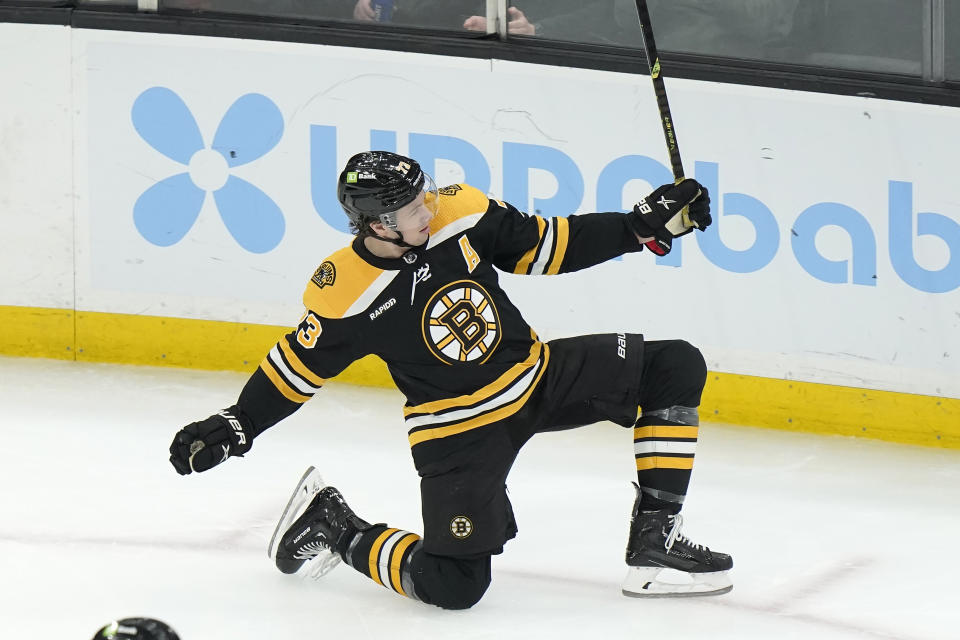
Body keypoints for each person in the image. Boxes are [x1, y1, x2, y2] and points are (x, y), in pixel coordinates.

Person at [168, 150, 732, 608]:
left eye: (426, 193)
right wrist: (238, 422)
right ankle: (338, 527)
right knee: (455, 586)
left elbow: (548, 244)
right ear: (377, 222)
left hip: (537, 376)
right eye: (413, 206)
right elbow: (295, 369)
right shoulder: (346, 289)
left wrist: (639, 227)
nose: (428, 207)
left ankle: (654, 543)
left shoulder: (459, 214)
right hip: (457, 430)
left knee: (674, 364)